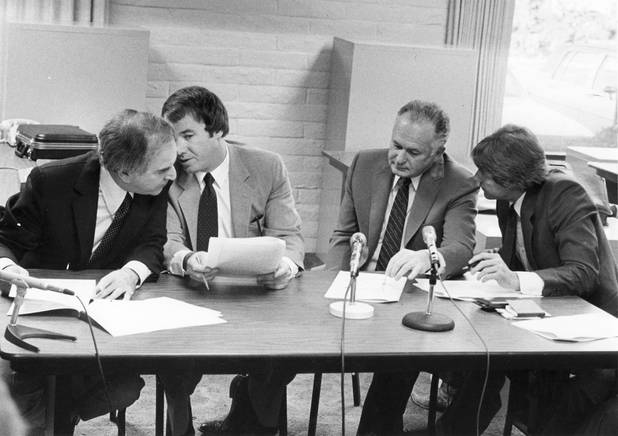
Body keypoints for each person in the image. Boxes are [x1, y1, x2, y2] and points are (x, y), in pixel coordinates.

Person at [0, 109, 177, 435]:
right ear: (125, 171)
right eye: (164, 169)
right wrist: (9, 269)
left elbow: (153, 243)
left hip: (100, 318)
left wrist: (131, 273)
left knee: (125, 387)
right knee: (24, 394)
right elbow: (6, 240)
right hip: (40, 315)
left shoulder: (154, 184)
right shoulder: (52, 181)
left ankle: (60, 415)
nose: (173, 175)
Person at [438, 124, 618, 435]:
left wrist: (516, 279)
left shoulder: (565, 193)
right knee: (482, 355)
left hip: (590, 329)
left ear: (513, 178)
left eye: (484, 172)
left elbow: (583, 271)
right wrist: (481, 274)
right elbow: (518, 259)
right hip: (544, 311)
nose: (475, 178)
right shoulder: (508, 199)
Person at [326, 100, 479, 435]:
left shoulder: (459, 182)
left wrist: (428, 257)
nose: (399, 157)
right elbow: (344, 233)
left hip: (408, 295)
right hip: (358, 283)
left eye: (413, 152)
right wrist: (330, 284)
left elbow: (461, 247)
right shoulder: (365, 164)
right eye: (396, 145)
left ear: (439, 150)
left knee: (399, 357)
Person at [159, 86, 304, 436]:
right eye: (173, 137)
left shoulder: (266, 166)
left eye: (189, 136)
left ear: (218, 130)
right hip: (191, 294)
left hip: (255, 296)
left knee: (279, 359)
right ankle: (181, 428)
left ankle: (250, 419)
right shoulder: (168, 174)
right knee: (172, 365)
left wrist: (284, 267)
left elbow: (290, 237)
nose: (178, 149)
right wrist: (187, 259)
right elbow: (167, 241)